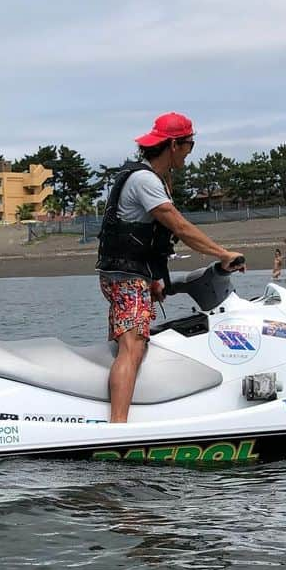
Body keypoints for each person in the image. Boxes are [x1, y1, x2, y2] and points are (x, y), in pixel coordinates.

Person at [96, 112, 244, 424]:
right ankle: (118, 428)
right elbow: (178, 225)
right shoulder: (146, 180)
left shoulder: (151, 177)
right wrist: (222, 254)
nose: (190, 153)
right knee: (132, 346)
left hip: (129, 273)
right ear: (174, 145)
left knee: (134, 341)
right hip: (126, 276)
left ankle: (140, 411)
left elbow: (153, 237)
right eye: (190, 145)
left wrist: (155, 280)